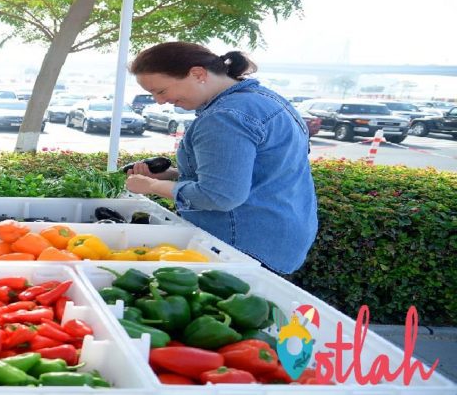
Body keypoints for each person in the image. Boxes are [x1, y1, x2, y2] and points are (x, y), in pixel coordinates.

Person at [124, 42, 317, 274]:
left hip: (240, 245)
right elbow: (255, 173)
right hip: (277, 237)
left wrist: (152, 185)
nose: (159, 101)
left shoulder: (223, 117)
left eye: (161, 91)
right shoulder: (265, 99)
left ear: (198, 74)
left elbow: (220, 195)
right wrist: (173, 175)